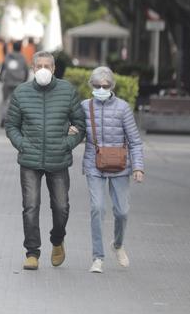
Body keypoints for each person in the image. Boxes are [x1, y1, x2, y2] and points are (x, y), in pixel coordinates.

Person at [5, 51, 86, 271]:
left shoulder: (67, 91)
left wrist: (68, 143)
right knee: (30, 206)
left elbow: (80, 124)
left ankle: (57, 240)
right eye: (38, 65)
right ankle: (32, 253)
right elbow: (11, 125)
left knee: (61, 207)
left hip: (58, 159)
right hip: (29, 160)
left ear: (53, 69)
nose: (42, 69)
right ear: (33, 69)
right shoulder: (21, 93)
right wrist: (22, 144)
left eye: (46, 66)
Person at [80, 66, 144, 274]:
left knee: (122, 212)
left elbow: (135, 141)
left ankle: (117, 244)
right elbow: (75, 132)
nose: (101, 88)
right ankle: (98, 257)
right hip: (93, 164)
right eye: (97, 85)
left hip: (120, 165)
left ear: (112, 86)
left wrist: (138, 167)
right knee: (97, 208)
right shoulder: (84, 107)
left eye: (105, 86)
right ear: (91, 85)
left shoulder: (123, 108)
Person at [0, 41, 29, 127]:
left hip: (7, 81)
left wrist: (0, 76)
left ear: (13, 47)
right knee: (16, 102)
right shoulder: (23, 58)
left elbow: (3, 67)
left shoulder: (8, 56)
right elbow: (26, 70)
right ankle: (14, 120)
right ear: (20, 48)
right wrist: (25, 80)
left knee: (5, 101)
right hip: (18, 83)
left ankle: (3, 118)